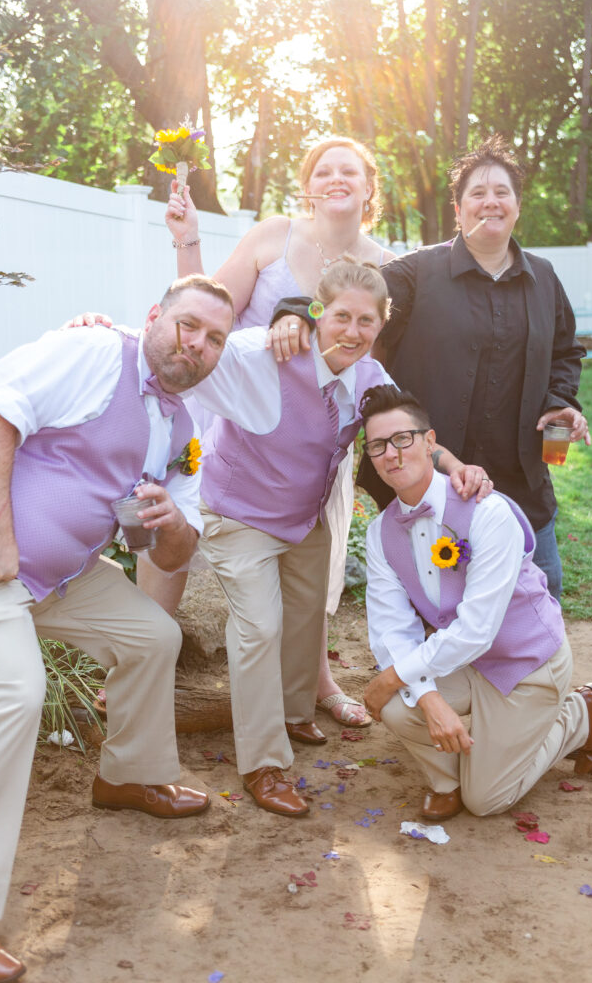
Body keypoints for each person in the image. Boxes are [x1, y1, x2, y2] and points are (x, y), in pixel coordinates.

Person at [0, 275, 234, 981]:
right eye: (188, 325)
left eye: (214, 338)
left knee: (152, 636)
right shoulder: (95, 351)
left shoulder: (183, 430)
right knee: (14, 697)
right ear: (154, 317)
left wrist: (172, 522)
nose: (198, 344)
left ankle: (130, 778)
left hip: (63, 580)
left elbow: (177, 553)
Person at [181, 259, 489, 817]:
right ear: (317, 312)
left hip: (303, 517)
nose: (352, 331)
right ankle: (263, 763)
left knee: (306, 618)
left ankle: (295, 713)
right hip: (239, 512)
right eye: (341, 316)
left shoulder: (372, 379)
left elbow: (409, 435)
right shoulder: (266, 351)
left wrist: (458, 466)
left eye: (366, 321)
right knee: (259, 627)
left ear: (381, 326)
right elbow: (187, 347)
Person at [269, 135, 590, 601]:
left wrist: (561, 402)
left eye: (501, 192)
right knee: (433, 609)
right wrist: (299, 311)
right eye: (476, 194)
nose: (490, 202)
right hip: (426, 477)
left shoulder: (543, 278)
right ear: (457, 210)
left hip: (521, 481)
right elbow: (351, 297)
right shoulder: (415, 272)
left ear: (518, 206)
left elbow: (565, 352)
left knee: (539, 604)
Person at [159, 136, 395, 727]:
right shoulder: (273, 235)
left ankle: (313, 682)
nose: (336, 178)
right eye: (323, 169)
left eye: (350, 170)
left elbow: (371, 349)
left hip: (316, 434)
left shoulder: (389, 262)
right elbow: (210, 303)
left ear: (370, 189)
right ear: (308, 184)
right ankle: (145, 665)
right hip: (238, 408)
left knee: (312, 557)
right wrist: (186, 239)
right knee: (180, 528)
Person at [359, 384, 592, 823]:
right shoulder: (380, 533)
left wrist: (396, 677)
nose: (392, 454)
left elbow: (478, 628)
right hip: (466, 665)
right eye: (378, 446)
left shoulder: (487, 511)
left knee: (488, 800)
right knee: (403, 707)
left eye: (403, 438)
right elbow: (390, 630)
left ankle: (578, 716)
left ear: (431, 442)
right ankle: (447, 782)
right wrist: (428, 698)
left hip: (526, 664)